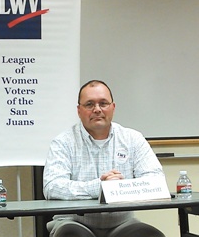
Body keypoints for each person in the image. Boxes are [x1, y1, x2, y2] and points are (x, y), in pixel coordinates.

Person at [43, 80, 166, 237]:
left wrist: (122, 187)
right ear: (79, 110)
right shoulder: (63, 142)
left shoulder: (133, 138)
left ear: (113, 108)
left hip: (122, 224)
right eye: (89, 104)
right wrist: (100, 187)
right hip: (73, 222)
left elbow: (155, 180)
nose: (97, 109)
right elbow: (52, 187)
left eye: (103, 103)